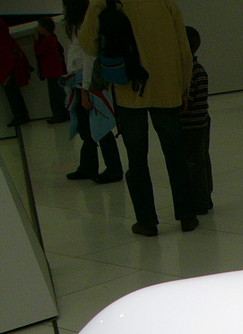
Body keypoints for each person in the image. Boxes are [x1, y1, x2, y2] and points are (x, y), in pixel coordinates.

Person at [81, 0, 198, 236]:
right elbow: (183, 49)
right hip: (167, 88)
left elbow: (88, 45)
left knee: (136, 159)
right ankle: (186, 215)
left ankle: (146, 221)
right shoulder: (165, 3)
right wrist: (184, 87)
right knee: (176, 154)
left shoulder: (106, 2)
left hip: (128, 90)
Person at [62, 0, 122, 183]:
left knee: (98, 126)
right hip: (80, 80)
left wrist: (86, 89)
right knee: (87, 127)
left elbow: (88, 58)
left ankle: (113, 168)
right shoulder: (78, 27)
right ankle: (89, 166)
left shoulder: (84, 27)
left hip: (85, 81)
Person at [181, 26, 212, 215]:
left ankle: (199, 200)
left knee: (194, 163)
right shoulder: (199, 70)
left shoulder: (189, 73)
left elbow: (187, 104)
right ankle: (205, 196)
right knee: (201, 159)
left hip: (190, 125)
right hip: (202, 122)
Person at [34, 16, 70, 123]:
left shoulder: (48, 40)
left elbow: (39, 51)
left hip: (52, 72)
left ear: (45, 28)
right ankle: (65, 114)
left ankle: (60, 114)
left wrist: (36, 40)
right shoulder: (53, 38)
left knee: (56, 94)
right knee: (58, 93)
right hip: (55, 71)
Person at [1, 18, 32, 127]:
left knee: (12, 94)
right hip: (10, 69)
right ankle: (22, 115)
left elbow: (5, 57)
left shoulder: (3, 41)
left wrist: (5, 74)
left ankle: (19, 116)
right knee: (15, 94)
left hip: (7, 70)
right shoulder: (6, 38)